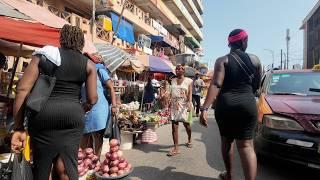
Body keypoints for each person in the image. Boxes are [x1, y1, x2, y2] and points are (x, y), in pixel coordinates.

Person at [11, 24, 98, 180]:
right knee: (66, 165)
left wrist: (18, 127)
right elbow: (92, 99)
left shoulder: (45, 56)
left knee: (41, 166)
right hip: (72, 115)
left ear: (62, 39)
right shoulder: (89, 64)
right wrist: (82, 108)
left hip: (43, 115)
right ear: (81, 43)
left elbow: (22, 90)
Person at [200, 29, 262, 180]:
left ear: (230, 44)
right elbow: (257, 85)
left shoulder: (222, 60)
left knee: (227, 142)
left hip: (226, 107)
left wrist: (204, 108)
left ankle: (229, 175)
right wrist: (245, 94)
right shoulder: (255, 60)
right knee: (246, 146)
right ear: (243, 42)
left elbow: (216, 84)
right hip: (247, 104)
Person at [80, 57, 117, 158]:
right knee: (84, 136)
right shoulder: (81, 72)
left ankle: (96, 160)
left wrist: (114, 105)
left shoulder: (99, 70)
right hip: (85, 108)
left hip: (99, 108)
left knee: (97, 136)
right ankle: (83, 162)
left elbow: (111, 87)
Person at [167, 64, 193, 156]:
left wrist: (189, 103)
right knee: (174, 126)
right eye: (176, 69)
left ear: (183, 71)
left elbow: (190, 93)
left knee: (187, 125)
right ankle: (176, 148)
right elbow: (171, 92)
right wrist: (169, 101)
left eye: (179, 69)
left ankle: (189, 139)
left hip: (184, 105)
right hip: (174, 105)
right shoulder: (172, 80)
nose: (177, 70)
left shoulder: (189, 81)